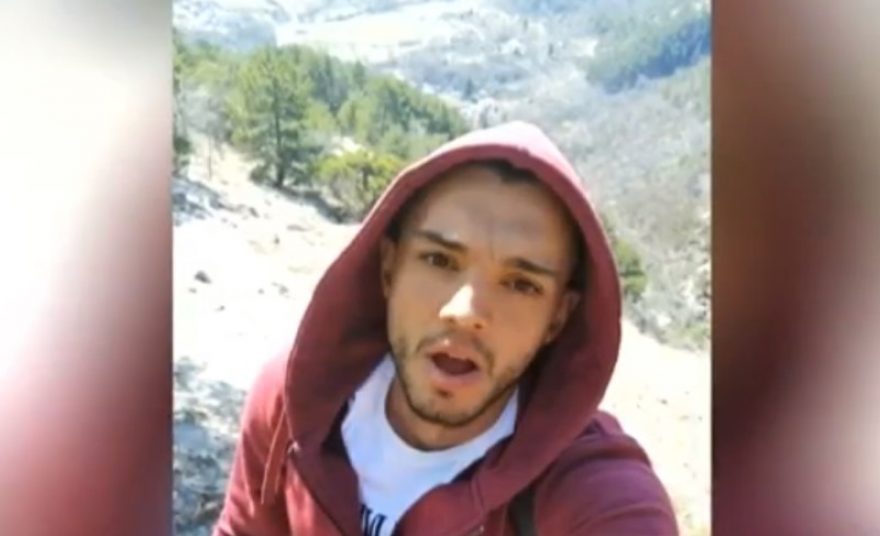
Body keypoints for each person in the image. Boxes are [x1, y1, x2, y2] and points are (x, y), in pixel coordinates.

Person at [213, 121, 677, 535]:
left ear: (557, 317)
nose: (465, 311)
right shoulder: (297, 401)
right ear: (390, 268)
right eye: (438, 260)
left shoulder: (587, 493)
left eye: (520, 284)